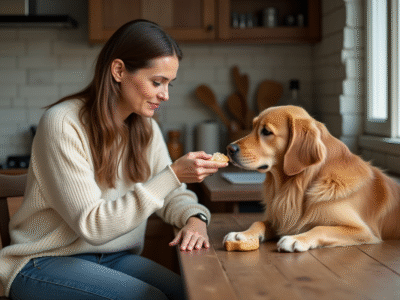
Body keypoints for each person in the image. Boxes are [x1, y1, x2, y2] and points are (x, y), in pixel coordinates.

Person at [0, 19, 228, 300]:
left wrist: (195, 218)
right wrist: (173, 175)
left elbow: (172, 196)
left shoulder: (145, 128)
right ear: (119, 70)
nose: (165, 95)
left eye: (169, 83)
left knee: (193, 292)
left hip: (111, 258)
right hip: (42, 262)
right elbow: (93, 226)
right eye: (157, 82)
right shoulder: (63, 123)